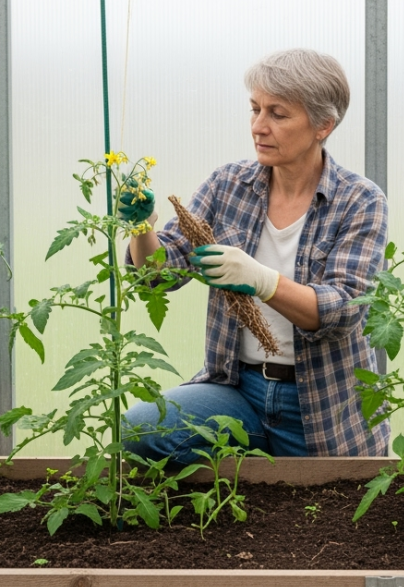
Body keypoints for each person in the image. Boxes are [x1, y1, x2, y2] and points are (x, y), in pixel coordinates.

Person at [122, 48, 389, 463]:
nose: (258, 127)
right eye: (255, 109)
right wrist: (142, 230)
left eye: (278, 114)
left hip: (319, 402)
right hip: (238, 390)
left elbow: (343, 311)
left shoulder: (359, 200)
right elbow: (159, 275)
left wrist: (262, 280)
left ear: (323, 125)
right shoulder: (229, 185)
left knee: (319, 515)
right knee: (139, 430)